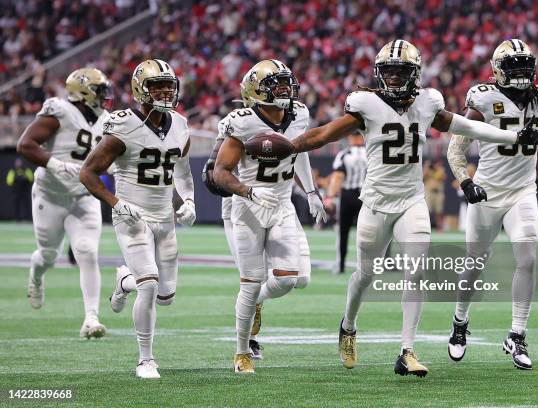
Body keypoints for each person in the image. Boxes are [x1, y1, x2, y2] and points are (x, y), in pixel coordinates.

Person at [290, 39, 538, 377]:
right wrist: (287, 146)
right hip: (375, 201)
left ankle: (407, 351)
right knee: (364, 275)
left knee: (415, 273)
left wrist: (515, 139)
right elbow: (323, 135)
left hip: (412, 200)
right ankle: (349, 324)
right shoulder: (365, 104)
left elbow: (466, 127)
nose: (396, 79)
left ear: (415, 74)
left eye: (402, 73)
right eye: (390, 72)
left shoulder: (428, 103)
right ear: (379, 74)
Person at [79, 59, 196, 379]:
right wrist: (115, 203)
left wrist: (188, 200)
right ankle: (146, 359)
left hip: (165, 218)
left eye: (168, 85)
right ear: (139, 89)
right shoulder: (123, 125)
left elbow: (181, 171)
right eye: (156, 85)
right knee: (149, 284)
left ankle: (123, 280)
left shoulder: (180, 124)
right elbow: (87, 173)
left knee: (166, 296)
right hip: (132, 216)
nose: (164, 91)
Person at [446, 39, 538, 370]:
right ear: (497, 71)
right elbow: (456, 146)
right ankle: (459, 323)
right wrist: (466, 182)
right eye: (514, 67)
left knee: (529, 257)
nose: (522, 74)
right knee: (475, 264)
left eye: (526, 66)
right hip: (488, 191)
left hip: (520, 191)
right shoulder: (484, 98)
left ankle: (517, 335)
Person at [213, 59, 326, 374]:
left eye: (285, 83)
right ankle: (241, 352)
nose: (283, 90)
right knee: (249, 282)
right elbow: (219, 172)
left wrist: (312, 191)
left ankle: (257, 303)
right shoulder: (242, 121)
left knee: (289, 279)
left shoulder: (299, 113)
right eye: (274, 85)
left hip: (282, 205)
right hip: (249, 207)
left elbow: (298, 150)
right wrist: (248, 191)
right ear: (255, 90)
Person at [16, 68, 112, 339]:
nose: (105, 96)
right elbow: (26, 144)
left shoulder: (106, 119)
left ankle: (91, 318)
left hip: (84, 194)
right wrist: (56, 164)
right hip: (50, 194)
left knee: (87, 251)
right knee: (49, 254)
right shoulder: (61, 110)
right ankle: (36, 275)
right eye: (99, 90)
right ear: (82, 92)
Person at [325, 133, 367, 274]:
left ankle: (341, 265)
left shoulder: (345, 154)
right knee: (371, 233)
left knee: (343, 232)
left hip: (348, 196)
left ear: (350, 138)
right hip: (367, 197)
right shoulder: (371, 153)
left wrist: (330, 197)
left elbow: (338, 177)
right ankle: (374, 266)